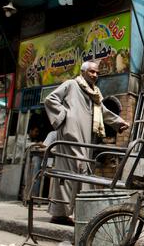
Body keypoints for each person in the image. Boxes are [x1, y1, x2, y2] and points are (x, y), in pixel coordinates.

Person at [44, 61, 129, 226]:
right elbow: (50, 99)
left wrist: (118, 123)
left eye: (97, 73)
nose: (95, 75)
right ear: (83, 72)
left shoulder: (94, 93)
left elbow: (103, 111)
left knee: (82, 172)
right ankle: (60, 214)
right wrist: (65, 116)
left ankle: (78, 212)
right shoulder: (71, 85)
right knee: (68, 174)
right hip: (70, 135)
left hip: (85, 139)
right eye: (92, 72)